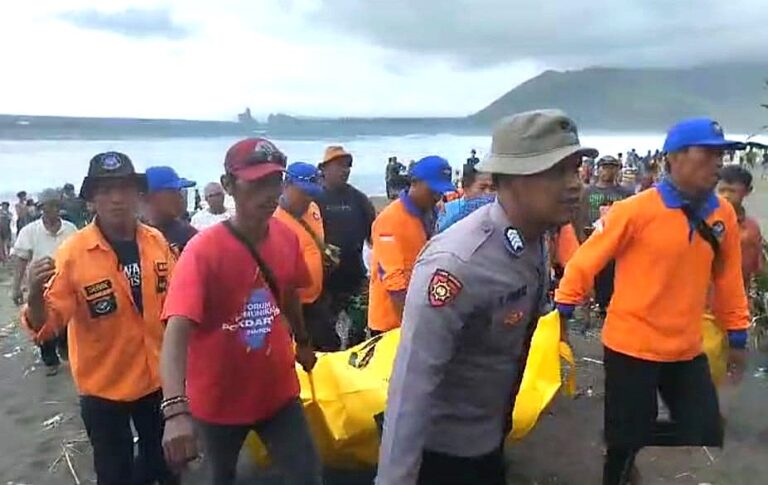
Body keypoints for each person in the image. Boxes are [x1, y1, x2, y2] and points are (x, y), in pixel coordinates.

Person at [376, 110, 591, 485]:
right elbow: (411, 387)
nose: (575, 185)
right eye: (557, 171)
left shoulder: (534, 239)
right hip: (441, 456)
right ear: (511, 179)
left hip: (490, 437)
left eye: (575, 169)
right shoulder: (457, 264)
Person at [555, 118, 750, 485]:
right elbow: (586, 260)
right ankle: (622, 450)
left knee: (704, 427)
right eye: (708, 153)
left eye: (721, 154)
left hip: (685, 346)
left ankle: (622, 432)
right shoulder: (634, 210)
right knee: (623, 449)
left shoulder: (722, 214)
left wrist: (737, 334)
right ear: (674, 157)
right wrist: (563, 310)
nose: (718, 162)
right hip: (631, 344)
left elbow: (728, 278)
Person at [160, 138, 321, 485]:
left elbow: (290, 292)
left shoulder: (287, 237)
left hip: (278, 393)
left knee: (307, 476)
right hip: (216, 403)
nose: (269, 193)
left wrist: (303, 341)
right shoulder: (202, 251)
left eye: (274, 181)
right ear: (229, 185)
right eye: (256, 182)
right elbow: (176, 331)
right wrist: (175, 410)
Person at [21, 151, 177, 484]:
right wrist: (34, 296)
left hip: (157, 380)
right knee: (114, 473)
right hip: (104, 390)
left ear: (138, 194)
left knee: (166, 466)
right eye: (106, 190)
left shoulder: (156, 242)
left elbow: (176, 305)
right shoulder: (73, 254)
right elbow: (47, 325)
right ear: (91, 200)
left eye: (124, 188)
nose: (117, 198)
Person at [369, 155, 455, 334]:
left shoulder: (431, 213)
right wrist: (410, 329)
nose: (437, 196)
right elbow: (394, 281)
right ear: (414, 183)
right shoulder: (390, 220)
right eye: (433, 190)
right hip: (392, 322)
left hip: (421, 310)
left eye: (441, 191)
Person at [274, 162, 340, 351]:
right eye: (303, 192)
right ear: (285, 186)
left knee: (330, 346)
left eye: (312, 193)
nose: (308, 198)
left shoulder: (313, 209)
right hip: (292, 307)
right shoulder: (273, 221)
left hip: (318, 299)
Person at [11, 188, 77, 375]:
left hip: (65, 286)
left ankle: (65, 348)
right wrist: (16, 288)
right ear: (41, 208)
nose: (51, 210)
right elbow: (21, 261)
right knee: (42, 326)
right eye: (47, 206)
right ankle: (50, 361)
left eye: (55, 206)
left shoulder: (70, 229)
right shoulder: (29, 232)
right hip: (40, 289)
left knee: (68, 323)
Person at [316, 145, 377, 345]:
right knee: (324, 337)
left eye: (347, 166)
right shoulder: (313, 199)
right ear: (323, 169)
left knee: (358, 332)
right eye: (339, 165)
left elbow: (375, 239)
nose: (345, 170)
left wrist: (374, 274)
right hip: (324, 281)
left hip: (355, 277)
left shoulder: (359, 199)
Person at [575, 155, 634, 315]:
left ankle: (608, 306)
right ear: (598, 170)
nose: (608, 171)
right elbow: (578, 216)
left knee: (613, 277)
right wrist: (580, 238)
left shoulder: (626, 194)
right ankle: (593, 306)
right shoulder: (587, 192)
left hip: (617, 244)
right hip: (592, 240)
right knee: (592, 275)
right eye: (605, 167)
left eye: (612, 167)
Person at [717, 165, 765, 290]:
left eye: (732, 191)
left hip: (741, 291)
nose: (726, 196)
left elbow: (758, 267)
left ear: (747, 191)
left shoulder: (752, 228)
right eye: (722, 191)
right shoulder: (708, 222)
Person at [144, 166, 198, 253]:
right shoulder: (134, 236)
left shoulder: (188, 234)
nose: (180, 196)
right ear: (152, 196)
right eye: (173, 191)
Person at [437, 165, 495, 232]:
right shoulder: (446, 210)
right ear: (466, 188)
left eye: (493, 188)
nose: (488, 192)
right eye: (482, 188)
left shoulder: (497, 211)